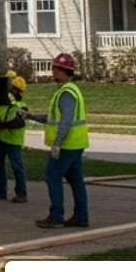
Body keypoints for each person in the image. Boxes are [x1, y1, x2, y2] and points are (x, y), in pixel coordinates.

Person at [28, 52, 89, 229]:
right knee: (76, 180)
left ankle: (56, 216)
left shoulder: (67, 93)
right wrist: (30, 116)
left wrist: (57, 143)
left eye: (55, 69)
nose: (52, 72)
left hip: (67, 145)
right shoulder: (69, 90)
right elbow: (53, 117)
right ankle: (81, 216)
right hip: (76, 143)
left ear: (63, 71)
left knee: (52, 176)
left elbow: (66, 120)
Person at [0, 71, 29, 203]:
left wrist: (3, 125)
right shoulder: (2, 104)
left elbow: (19, 123)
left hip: (13, 140)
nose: (10, 91)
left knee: (16, 166)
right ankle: (0, 191)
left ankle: (21, 193)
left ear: (19, 92)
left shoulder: (21, 106)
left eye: (13, 89)